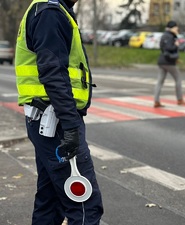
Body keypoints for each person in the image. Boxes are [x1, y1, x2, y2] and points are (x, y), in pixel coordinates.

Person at [15, 0, 104, 224]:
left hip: (48, 118)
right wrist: (71, 125)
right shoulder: (50, 13)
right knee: (84, 204)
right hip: (55, 121)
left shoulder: (49, 9)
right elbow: (52, 72)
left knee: (51, 201)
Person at [154, 20, 185, 108]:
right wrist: (176, 45)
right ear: (172, 28)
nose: (177, 28)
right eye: (176, 27)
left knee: (160, 81)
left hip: (162, 61)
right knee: (178, 79)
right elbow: (169, 48)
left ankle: (156, 101)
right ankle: (180, 99)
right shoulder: (170, 36)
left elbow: (163, 48)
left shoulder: (164, 35)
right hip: (168, 62)